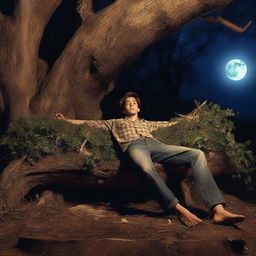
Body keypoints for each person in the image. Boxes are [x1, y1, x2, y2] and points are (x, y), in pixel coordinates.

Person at [54, 91, 245, 227]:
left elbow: (169, 123)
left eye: (134, 102)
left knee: (197, 154)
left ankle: (218, 210)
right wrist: (65, 121)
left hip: (155, 144)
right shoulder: (114, 122)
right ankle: (176, 207)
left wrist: (189, 119)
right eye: (127, 103)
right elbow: (88, 123)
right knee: (146, 169)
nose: (131, 104)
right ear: (123, 109)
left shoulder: (147, 123)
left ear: (138, 107)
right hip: (133, 146)